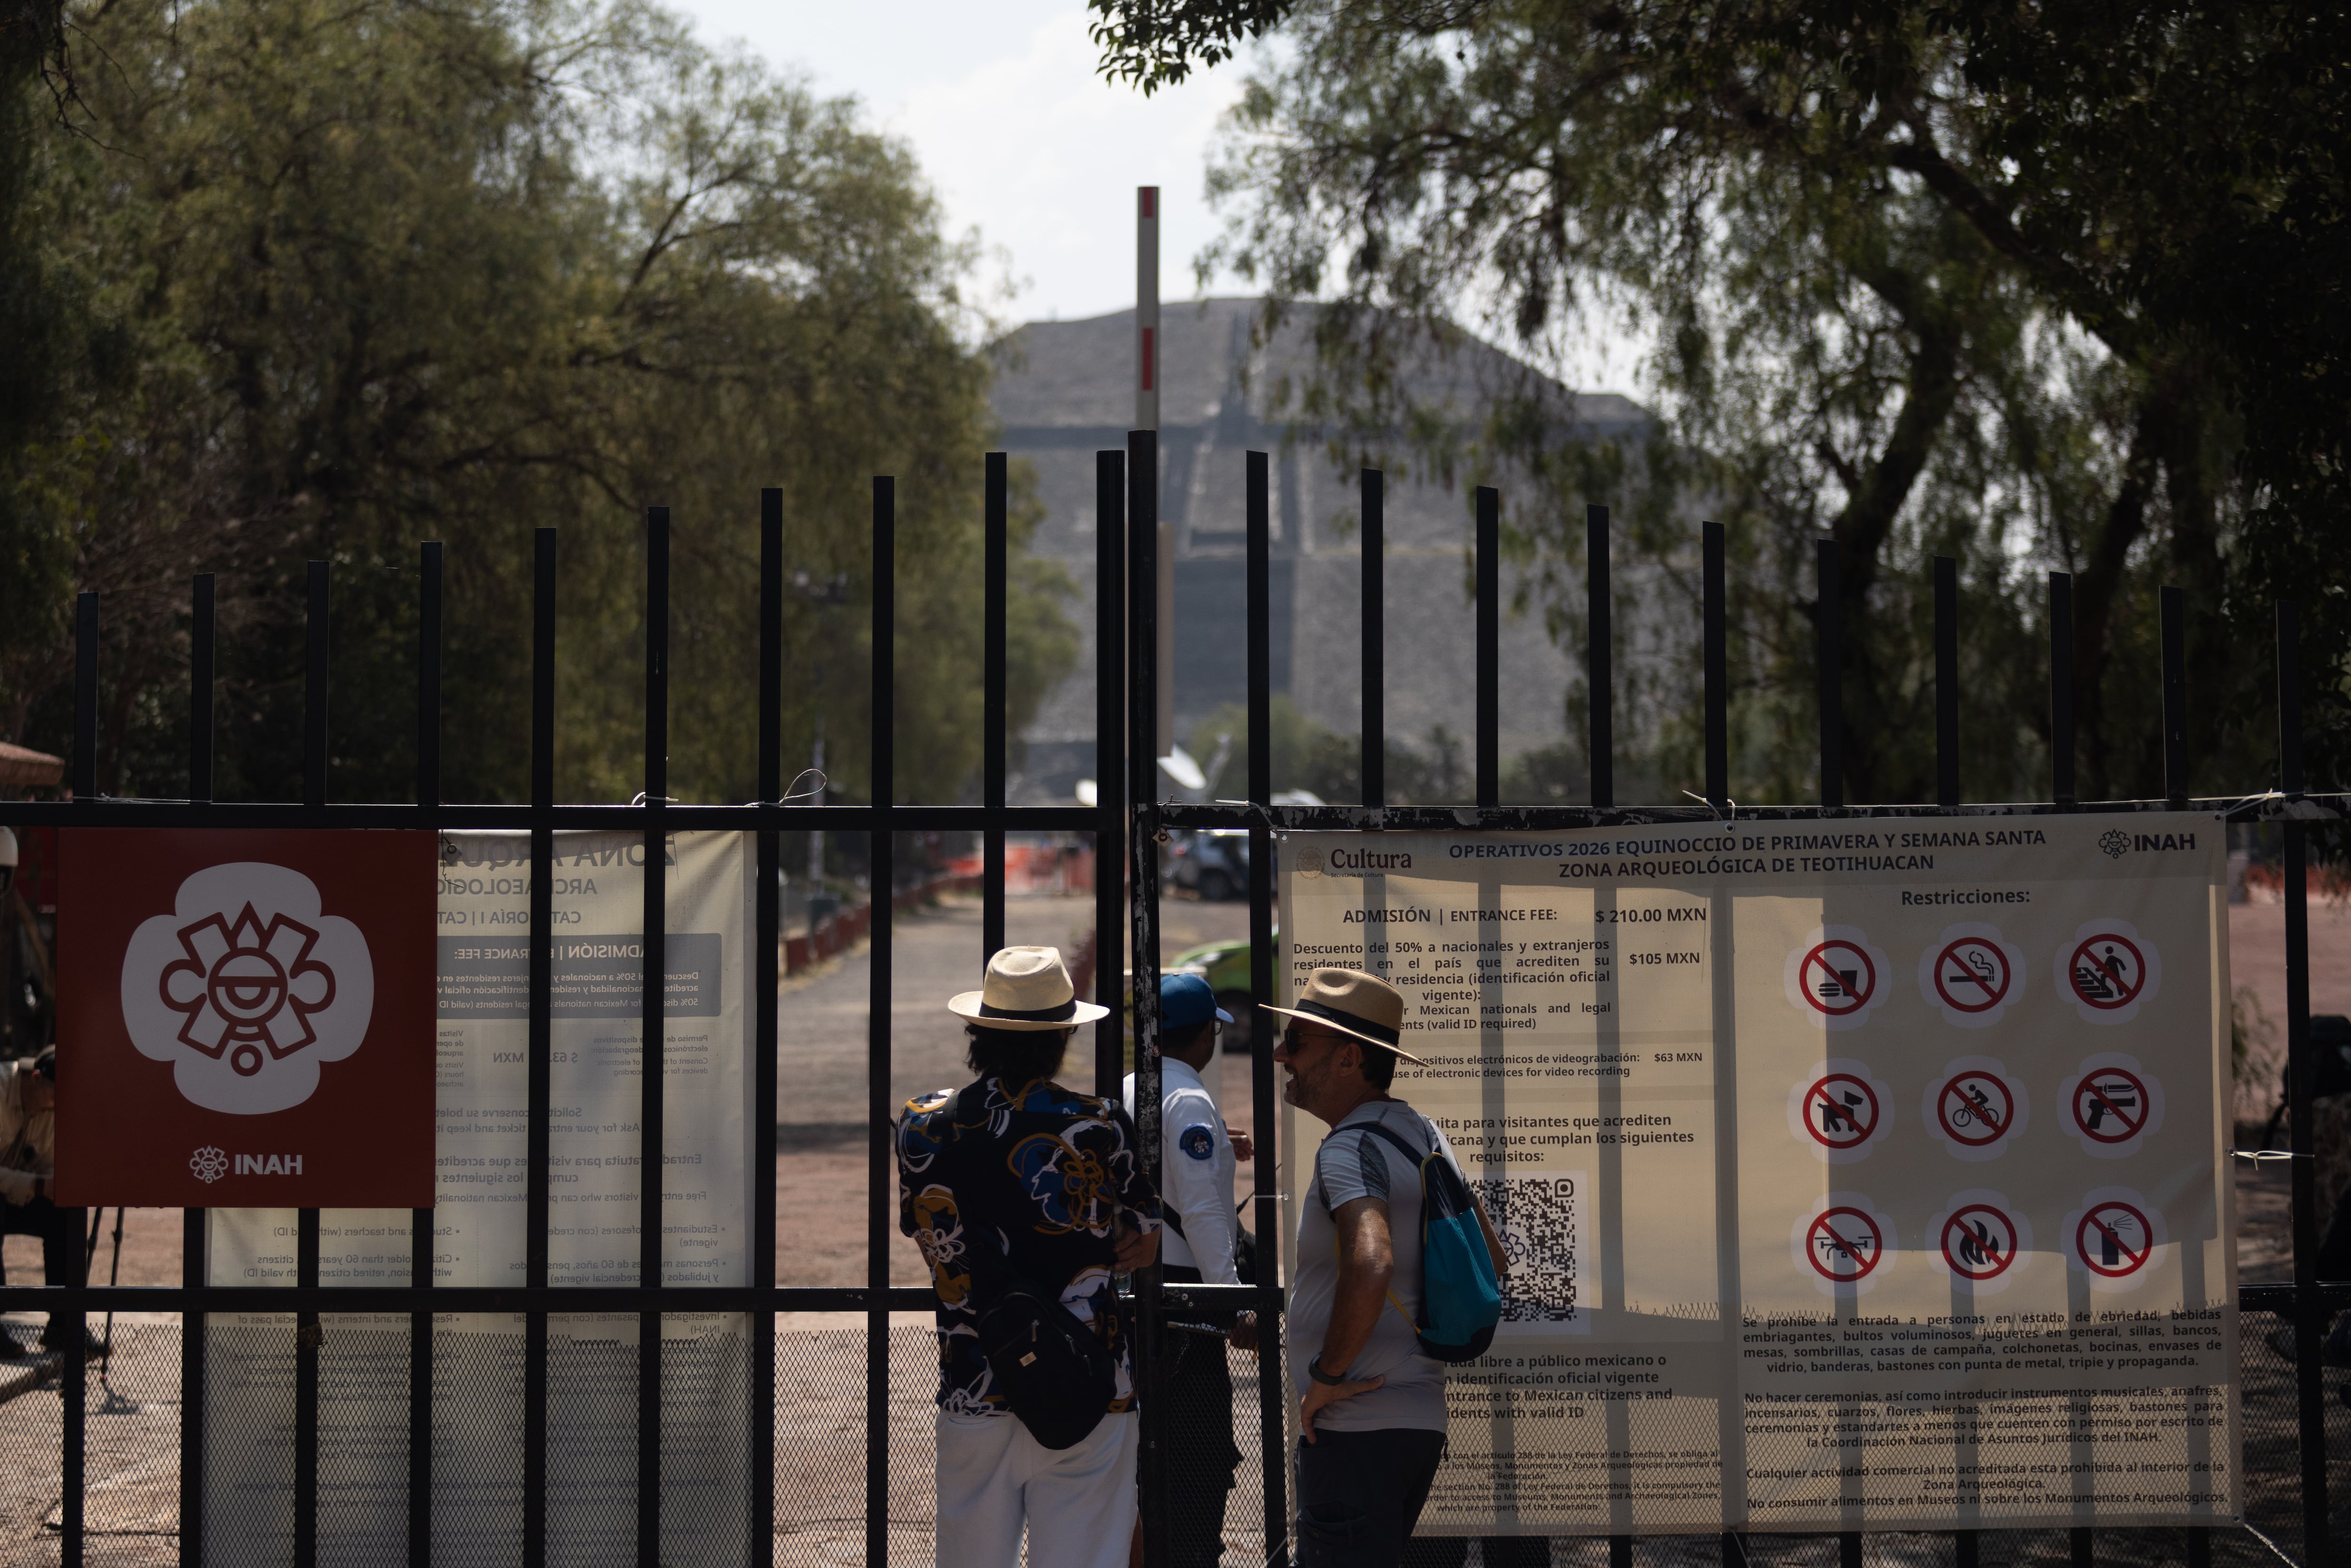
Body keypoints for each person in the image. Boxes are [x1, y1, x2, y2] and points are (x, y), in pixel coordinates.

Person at [898, 945, 1164, 1568]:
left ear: (977, 1031)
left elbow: (927, 1230)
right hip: (1088, 1382)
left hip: (976, 1379)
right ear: (1065, 1033)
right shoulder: (1099, 1123)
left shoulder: (922, 1124)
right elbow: (1145, 1239)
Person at [1260, 968, 1506, 1568]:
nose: (1280, 1054)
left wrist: (1326, 1375)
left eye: (1297, 1041)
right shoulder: (1423, 1133)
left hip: (1353, 1430)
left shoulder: (1347, 1147)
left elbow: (1370, 1264)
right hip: (1416, 1424)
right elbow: (1491, 1258)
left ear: (1347, 1058)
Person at [1123, 972, 1254, 1567]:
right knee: (1198, 1459)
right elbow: (1201, 1210)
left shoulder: (1125, 1089)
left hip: (1130, 1292)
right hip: (1185, 1302)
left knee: (1138, 1462)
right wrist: (1230, 1302)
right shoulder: (1189, 1098)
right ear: (1204, 1034)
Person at [0, 1047, 88, 1357]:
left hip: (15, 1192)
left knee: (65, 1212)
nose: (56, 1108)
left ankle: (63, 1323)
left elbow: (46, 1163)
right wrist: (39, 1185)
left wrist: (59, 1184)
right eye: (54, 1097)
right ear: (36, 1079)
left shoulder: (50, 1108)